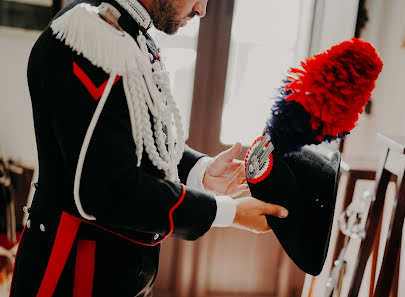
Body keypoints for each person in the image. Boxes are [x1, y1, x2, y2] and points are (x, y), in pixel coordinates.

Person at [9, 0, 288, 296]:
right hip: (76, 272)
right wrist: (227, 213)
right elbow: (109, 191)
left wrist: (200, 172)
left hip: (123, 269)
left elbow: (138, 139)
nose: (202, 9)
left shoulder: (133, 32)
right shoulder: (93, 35)